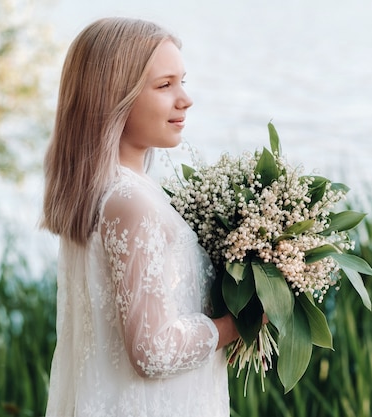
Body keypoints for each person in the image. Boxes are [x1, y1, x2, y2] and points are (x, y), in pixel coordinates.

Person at [40, 17, 239, 416]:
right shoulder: (132, 203)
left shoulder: (118, 191)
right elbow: (154, 349)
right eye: (165, 85)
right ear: (114, 96)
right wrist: (237, 325)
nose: (185, 99)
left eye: (183, 81)